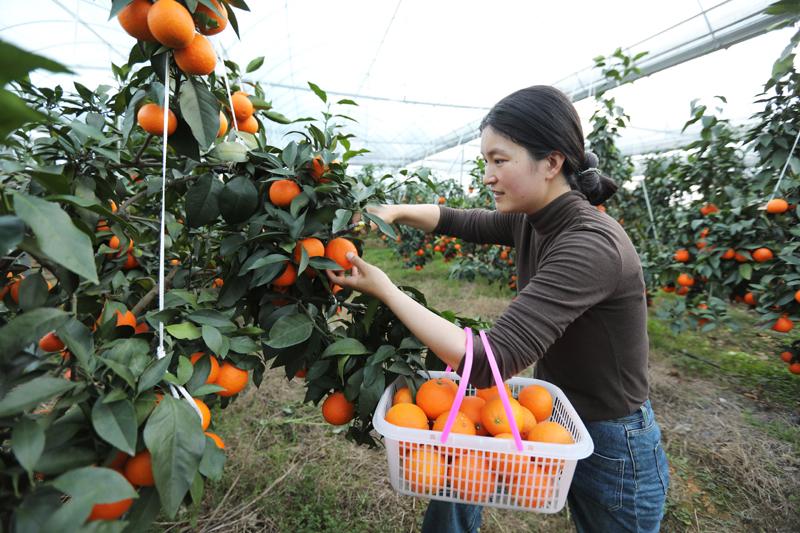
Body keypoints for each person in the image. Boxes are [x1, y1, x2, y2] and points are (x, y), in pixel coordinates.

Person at [326, 85, 669, 533]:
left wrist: (387, 291)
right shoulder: (537, 218)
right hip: (548, 414)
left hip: (612, 440)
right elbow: (460, 220)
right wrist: (394, 211)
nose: (488, 175)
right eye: (486, 161)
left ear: (551, 162)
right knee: (461, 481)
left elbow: (485, 361)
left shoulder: (589, 243)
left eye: (499, 160)